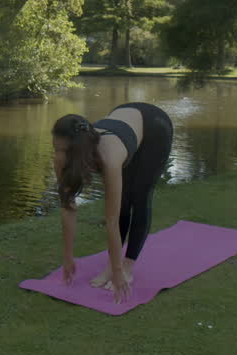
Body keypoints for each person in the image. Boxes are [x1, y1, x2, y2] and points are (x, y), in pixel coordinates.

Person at [52, 103, 174, 303]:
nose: (58, 156)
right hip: (125, 117)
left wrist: (118, 272)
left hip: (154, 127)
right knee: (123, 200)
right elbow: (68, 208)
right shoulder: (63, 156)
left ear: (79, 150)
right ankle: (112, 263)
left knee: (138, 196)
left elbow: (111, 220)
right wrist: (67, 257)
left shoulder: (109, 156)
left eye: (63, 150)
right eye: (55, 148)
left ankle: (126, 265)